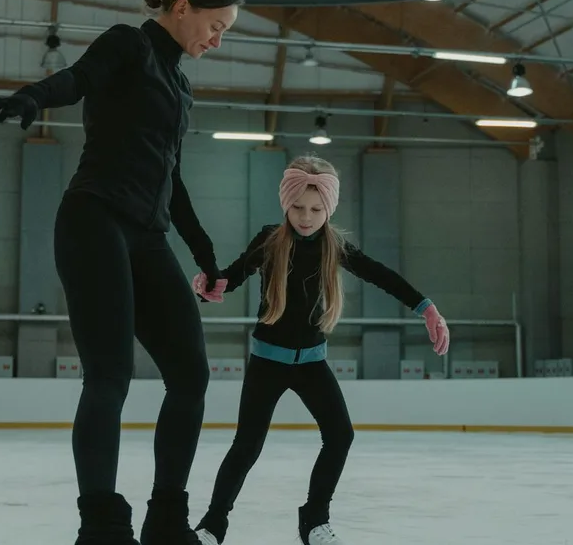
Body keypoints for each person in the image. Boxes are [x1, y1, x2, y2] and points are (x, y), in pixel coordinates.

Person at [0, 0, 245, 545]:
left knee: (191, 374)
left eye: (225, 31)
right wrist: (33, 96)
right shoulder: (128, 44)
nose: (217, 39)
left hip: (148, 237)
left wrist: (206, 256)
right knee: (110, 375)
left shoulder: (180, 86)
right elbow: (78, 79)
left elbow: (170, 179)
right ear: (181, 7)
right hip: (94, 219)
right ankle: (101, 526)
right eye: (215, 24)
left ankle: (165, 520)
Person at [188, 155, 450, 545]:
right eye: (297, 208)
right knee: (246, 446)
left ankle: (314, 521)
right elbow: (232, 277)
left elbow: (383, 276)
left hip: (312, 363)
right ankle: (212, 526)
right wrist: (207, 288)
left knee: (340, 436)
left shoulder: (336, 246)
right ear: (285, 204)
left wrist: (427, 309)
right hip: (267, 361)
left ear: (328, 208)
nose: (306, 217)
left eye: (316, 209)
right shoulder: (269, 239)